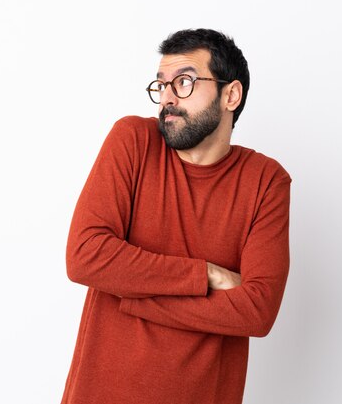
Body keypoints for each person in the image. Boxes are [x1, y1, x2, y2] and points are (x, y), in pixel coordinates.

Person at [61, 28, 291, 404]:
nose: (167, 97)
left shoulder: (266, 181)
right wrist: (205, 275)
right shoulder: (133, 139)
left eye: (183, 82)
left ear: (230, 95)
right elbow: (85, 256)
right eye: (161, 84)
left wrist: (132, 296)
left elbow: (257, 311)